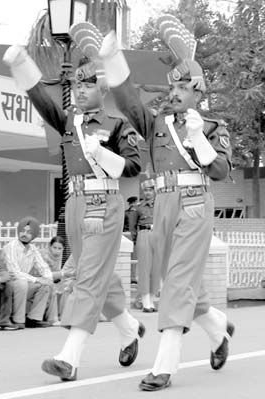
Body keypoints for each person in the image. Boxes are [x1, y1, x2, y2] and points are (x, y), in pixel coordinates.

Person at [94, 14, 234, 391]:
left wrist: (199, 139)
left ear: (198, 93)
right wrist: (112, 59)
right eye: (172, 87)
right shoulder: (155, 122)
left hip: (193, 203)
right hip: (163, 204)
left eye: (183, 88)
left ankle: (165, 366)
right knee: (182, 283)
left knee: (176, 286)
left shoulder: (211, 127)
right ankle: (218, 329)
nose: (173, 93)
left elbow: (220, 171)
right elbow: (127, 98)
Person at [3, 45, 144, 382]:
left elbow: (134, 167)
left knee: (88, 279)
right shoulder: (70, 121)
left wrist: (103, 155)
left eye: (88, 84)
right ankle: (129, 329)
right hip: (76, 204)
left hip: (104, 204)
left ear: (103, 88)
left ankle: (69, 357)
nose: (81, 90)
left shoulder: (116, 124)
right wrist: (21, 64)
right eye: (77, 85)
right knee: (94, 276)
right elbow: (42, 100)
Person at [1, 217, 59, 328]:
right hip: (10, 282)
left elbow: (43, 267)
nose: (24, 234)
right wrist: (37, 279)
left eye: (29, 232)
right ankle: (18, 320)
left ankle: (33, 318)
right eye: (22, 231)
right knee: (22, 283)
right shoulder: (11, 247)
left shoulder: (33, 249)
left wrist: (48, 279)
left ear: (34, 235)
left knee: (45, 286)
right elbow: (15, 272)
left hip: (25, 282)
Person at [133, 179, 160, 312]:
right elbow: (133, 227)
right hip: (144, 233)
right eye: (145, 190)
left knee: (156, 269)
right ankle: (145, 302)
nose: (148, 193)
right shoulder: (138, 207)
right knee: (144, 269)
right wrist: (135, 240)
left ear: (155, 190)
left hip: (158, 235)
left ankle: (152, 300)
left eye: (150, 190)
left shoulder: (160, 205)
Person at [39, 236, 76, 320]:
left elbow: (58, 273)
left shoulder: (59, 257)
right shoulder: (43, 256)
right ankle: (53, 318)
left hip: (53, 279)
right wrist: (63, 274)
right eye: (54, 247)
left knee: (65, 286)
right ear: (49, 246)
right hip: (40, 278)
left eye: (60, 248)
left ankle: (64, 315)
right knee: (53, 287)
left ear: (63, 249)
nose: (57, 251)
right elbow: (45, 274)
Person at [124, 196, 139, 284]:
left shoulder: (137, 213)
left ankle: (132, 277)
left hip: (135, 236)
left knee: (134, 258)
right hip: (128, 236)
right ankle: (129, 277)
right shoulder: (126, 213)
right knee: (128, 257)